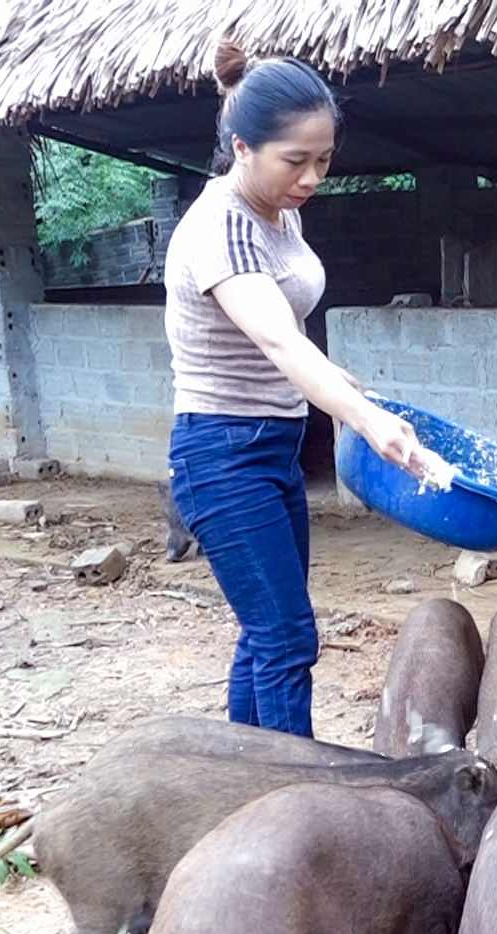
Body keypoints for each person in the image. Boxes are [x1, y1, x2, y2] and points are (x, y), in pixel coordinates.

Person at [163, 42, 449, 738]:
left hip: (273, 445)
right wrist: (366, 421)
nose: (313, 177)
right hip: (222, 455)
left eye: (323, 159)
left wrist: (346, 387)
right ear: (242, 147)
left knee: (265, 630)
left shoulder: (280, 210)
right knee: (288, 638)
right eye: (296, 159)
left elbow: (288, 324)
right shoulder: (220, 227)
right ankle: (297, 792)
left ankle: (245, 769)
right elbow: (278, 340)